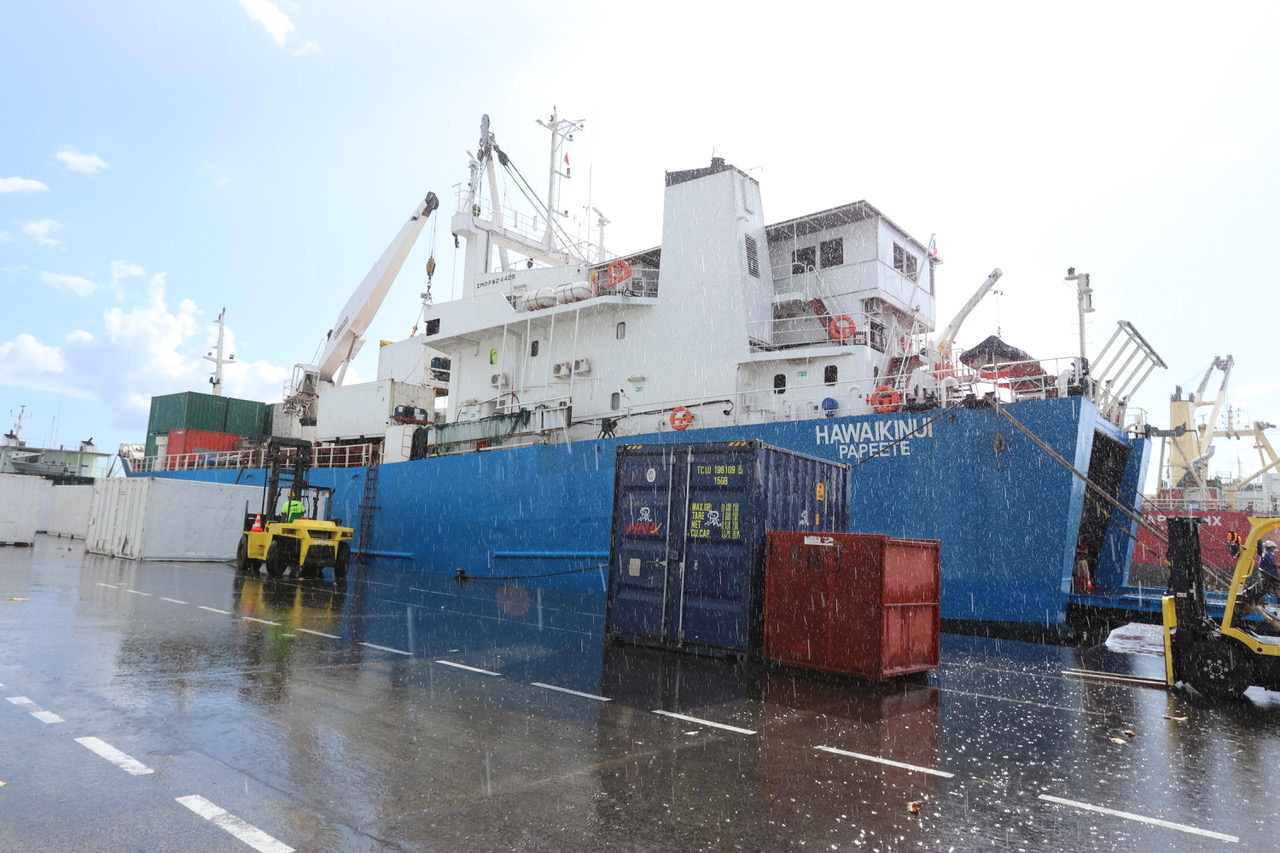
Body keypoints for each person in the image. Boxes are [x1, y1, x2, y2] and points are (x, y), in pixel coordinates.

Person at [1239, 540, 1280, 630]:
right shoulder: (1267, 554)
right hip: (1269, 576)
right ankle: (1256, 601)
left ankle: (1257, 601)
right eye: (1273, 548)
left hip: (1269, 577)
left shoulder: (1266, 554)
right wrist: (1278, 565)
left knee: (1263, 590)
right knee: (1273, 590)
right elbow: (1271, 563)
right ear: (1270, 547)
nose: (1274, 549)